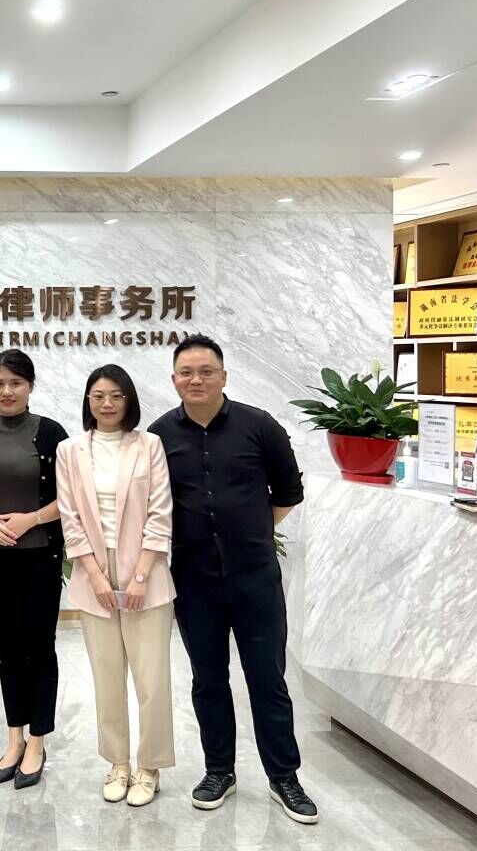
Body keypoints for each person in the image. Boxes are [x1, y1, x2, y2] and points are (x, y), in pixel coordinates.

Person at [148, 334, 317, 824]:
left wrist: (253, 532)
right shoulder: (159, 436)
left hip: (254, 577)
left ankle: (284, 777)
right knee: (208, 680)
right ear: (174, 379)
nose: (196, 380)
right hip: (193, 580)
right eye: (186, 372)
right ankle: (219, 770)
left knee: (267, 679)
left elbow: (288, 492)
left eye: (206, 371)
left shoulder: (259, 426)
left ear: (224, 376)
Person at [56, 364, 176, 807]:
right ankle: (118, 763)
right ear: (88, 401)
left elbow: (160, 513)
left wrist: (140, 576)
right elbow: (70, 517)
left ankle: (150, 767)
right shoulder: (69, 450)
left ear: (129, 400)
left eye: (116, 396)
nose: (107, 404)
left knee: (151, 679)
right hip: (94, 575)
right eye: (98, 396)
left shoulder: (149, 445)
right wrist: (94, 574)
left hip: (147, 570)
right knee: (107, 677)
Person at [0, 349, 68, 790]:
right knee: (7, 648)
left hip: (40, 556)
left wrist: (31, 520)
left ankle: (37, 741)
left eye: (15, 383)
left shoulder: (51, 433)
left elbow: (70, 496)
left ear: (30, 387)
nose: (7, 391)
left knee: (39, 648)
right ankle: (14, 738)